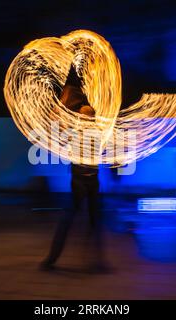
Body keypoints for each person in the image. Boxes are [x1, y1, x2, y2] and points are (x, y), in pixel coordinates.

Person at [40, 66, 109, 273]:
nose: (87, 119)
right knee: (72, 218)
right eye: (85, 117)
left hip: (91, 181)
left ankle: (96, 261)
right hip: (80, 182)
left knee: (93, 220)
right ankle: (52, 259)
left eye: (88, 117)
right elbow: (56, 123)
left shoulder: (92, 132)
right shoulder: (80, 132)